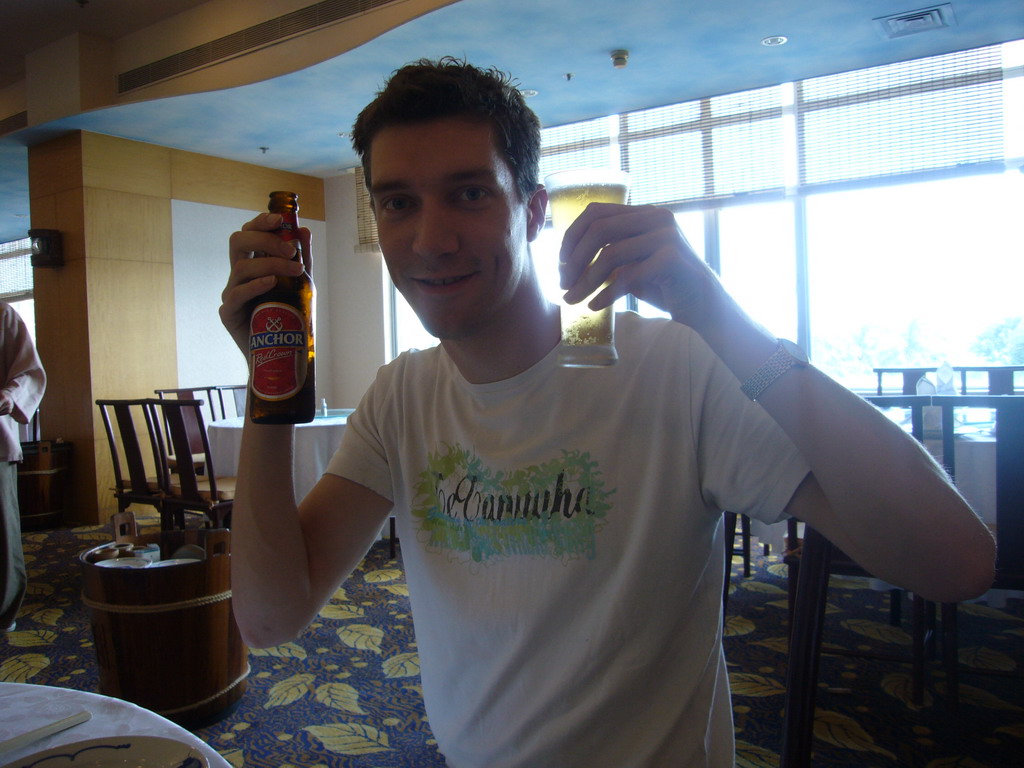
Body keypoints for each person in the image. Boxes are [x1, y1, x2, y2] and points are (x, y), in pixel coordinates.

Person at [219, 58, 995, 767]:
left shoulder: (672, 367)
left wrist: (716, 315)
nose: (430, 239)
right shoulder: (402, 398)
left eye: (467, 193)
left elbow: (954, 562)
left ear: (531, 211)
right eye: (397, 203)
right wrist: (267, 378)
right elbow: (270, 616)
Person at [0, 301, 46, 633]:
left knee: (1, 534)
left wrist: (9, 396)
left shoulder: (2, 315)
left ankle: (3, 612)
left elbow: (29, 371)